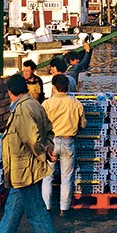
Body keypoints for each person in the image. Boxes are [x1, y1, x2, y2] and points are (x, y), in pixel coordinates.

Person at [0, 74, 61, 233]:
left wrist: (42, 152)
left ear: (10, 92)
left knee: (36, 211)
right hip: (23, 169)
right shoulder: (35, 104)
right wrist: (48, 147)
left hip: (25, 168)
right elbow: (49, 131)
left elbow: (31, 138)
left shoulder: (22, 109)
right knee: (13, 205)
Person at [41, 74, 86, 216]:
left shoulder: (46, 104)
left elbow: (41, 125)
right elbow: (83, 124)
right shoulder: (75, 103)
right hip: (68, 141)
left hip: (51, 142)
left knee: (48, 176)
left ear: (53, 87)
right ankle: (64, 209)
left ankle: (46, 207)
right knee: (67, 177)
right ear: (67, 87)